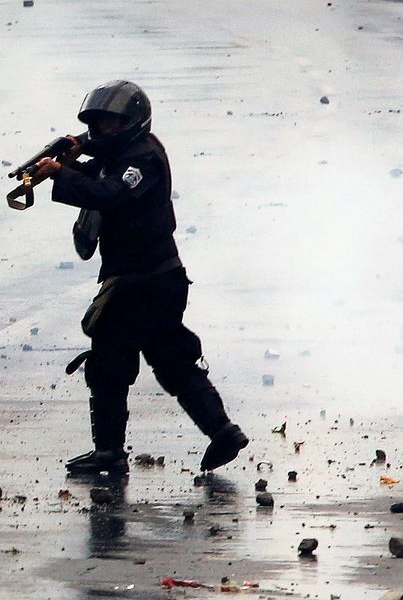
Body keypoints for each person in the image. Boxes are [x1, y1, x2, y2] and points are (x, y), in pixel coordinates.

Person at [32, 80, 248, 479]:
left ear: (132, 122)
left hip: (143, 283)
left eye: (112, 123)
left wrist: (62, 172)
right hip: (154, 280)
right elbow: (98, 172)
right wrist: (70, 157)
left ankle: (109, 452)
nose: (104, 130)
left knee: (109, 362)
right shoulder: (121, 154)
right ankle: (223, 432)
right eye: (99, 123)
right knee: (172, 360)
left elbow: (108, 192)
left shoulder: (143, 159)